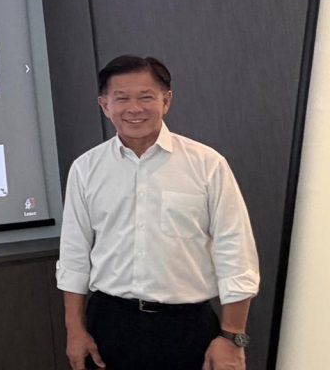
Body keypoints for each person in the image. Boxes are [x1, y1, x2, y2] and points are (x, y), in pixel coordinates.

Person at [57, 55, 259, 370]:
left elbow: (236, 254)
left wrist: (233, 338)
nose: (133, 108)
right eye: (121, 98)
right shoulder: (86, 169)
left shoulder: (207, 165)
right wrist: (74, 329)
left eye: (146, 97)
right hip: (109, 325)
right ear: (104, 105)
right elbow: (74, 256)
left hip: (187, 328)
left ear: (166, 101)